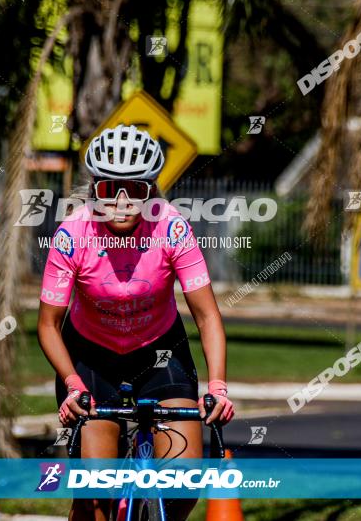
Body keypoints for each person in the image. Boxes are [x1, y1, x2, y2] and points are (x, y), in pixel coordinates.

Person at [37, 125, 234, 521]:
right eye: (111, 190)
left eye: (137, 190)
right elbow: (47, 325)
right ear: (95, 190)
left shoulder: (171, 227)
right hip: (92, 358)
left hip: (160, 351)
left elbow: (207, 314)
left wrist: (217, 386)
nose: (123, 203)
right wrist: (72, 384)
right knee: (95, 497)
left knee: (182, 485)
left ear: (152, 192)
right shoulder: (72, 233)